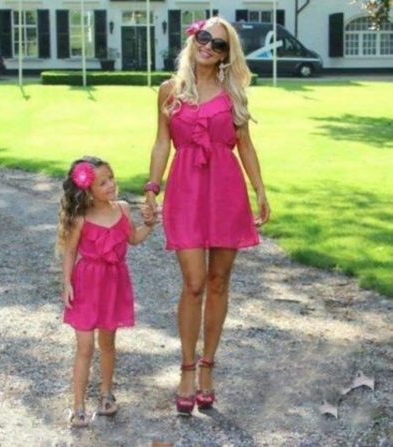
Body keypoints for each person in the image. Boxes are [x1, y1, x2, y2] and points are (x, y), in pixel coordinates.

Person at [144, 17, 270, 416]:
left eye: (219, 45)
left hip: (226, 192)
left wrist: (260, 189)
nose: (208, 47)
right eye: (204, 38)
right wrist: (151, 188)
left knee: (218, 282)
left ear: (226, 55)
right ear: (193, 38)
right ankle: (186, 368)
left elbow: (245, 144)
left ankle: (207, 367)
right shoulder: (170, 90)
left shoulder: (233, 94)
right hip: (185, 190)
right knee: (194, 282)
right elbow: (162, 142)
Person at [57, 156, 155, 427]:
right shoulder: (81, 218)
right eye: (102, 182)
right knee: (85, 347)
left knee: (108, 343)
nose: (111, 184)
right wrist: (67, 283)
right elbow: (70, 251)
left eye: (111, 178)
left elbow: (133, 238)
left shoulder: (122, 209)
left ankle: (106, 394)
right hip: (86, 284)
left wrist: (149, 224)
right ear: (88, 189)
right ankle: (78, 405)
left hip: (114, 283)